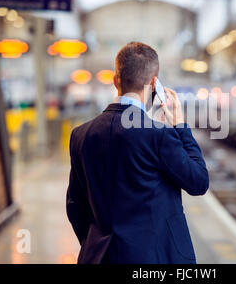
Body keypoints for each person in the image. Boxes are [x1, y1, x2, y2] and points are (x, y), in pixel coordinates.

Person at [66, 42, 209, 264]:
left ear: (115, 81)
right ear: (154, 85)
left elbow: (75, 206)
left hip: (98, 257)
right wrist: (180, 125)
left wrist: (94, 244)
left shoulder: (80, 135)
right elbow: (198, 181)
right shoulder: (158, 135)